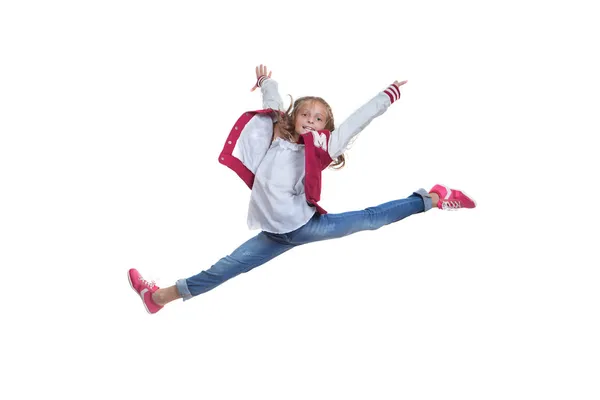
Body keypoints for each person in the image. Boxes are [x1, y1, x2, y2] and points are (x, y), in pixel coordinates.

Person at [128, 64, 476, 314]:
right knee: (226, 268)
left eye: (319, 118)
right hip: (273, 235)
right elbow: (273, 96)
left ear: (326, 127)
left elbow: (358, 120)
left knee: (371, 219)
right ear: (294, 117)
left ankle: (433, 198)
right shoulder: (275, 133)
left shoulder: (322, 148)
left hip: (307, 226)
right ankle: (156, 299)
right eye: (306, 114)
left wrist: (387, 95)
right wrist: (265, 78)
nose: (311, 119)